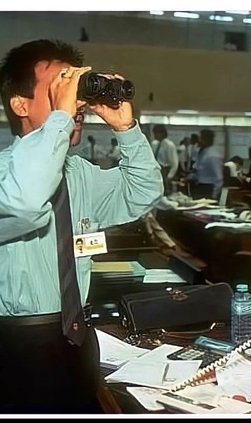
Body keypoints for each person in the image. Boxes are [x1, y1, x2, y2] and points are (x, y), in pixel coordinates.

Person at [0, 39, 162, 413]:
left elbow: (142, 193)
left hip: (79, 340)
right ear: (21, 105)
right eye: (60, 89)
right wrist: (60, 117)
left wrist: (127, 130)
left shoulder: (80, 173)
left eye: (75, 90)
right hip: (17, 350)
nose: (75, 106)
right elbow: (27, 205)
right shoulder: (8, 175)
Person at [187, 129, 223, 199]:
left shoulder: (213, 155)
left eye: (200, 138)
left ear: (206, 139)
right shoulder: (202, 152)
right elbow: (199, 169)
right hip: (199, 186)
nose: (199, 140)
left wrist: (214, 195)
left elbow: (219, 178)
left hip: (209, 188)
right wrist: (191, 177)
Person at [150, 124, 179, 195]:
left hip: (165, 171)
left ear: (162, 133)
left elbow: (174, 163)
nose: (154, 135)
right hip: (156, 171)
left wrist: (170, 176)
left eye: (156, 133)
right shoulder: (154, 144)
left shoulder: (169, 145)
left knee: (165, 193)